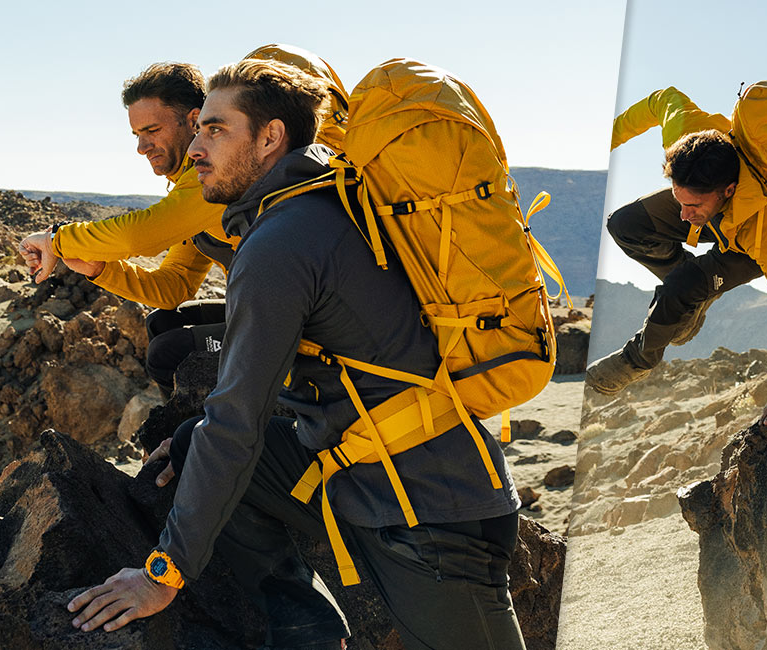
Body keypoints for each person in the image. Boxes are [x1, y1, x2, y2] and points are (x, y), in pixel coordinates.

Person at [64, 58, 525, 650]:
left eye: (215, 130)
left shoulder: (281, 241)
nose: (195, 149)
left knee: (212, 444)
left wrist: (163, 574)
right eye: (198, 130)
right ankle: (308, 635)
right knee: (191, 446)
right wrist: (199, 456)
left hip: (430, 510)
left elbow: (236, 421)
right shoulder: (311, 205)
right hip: (368, 472)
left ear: (270, 138)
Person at [586, 87, 767, 423]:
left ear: (728, 190)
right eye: (679, 200)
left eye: (692, 205)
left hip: (746, 247)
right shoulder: (688, 135)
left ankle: (639, 358)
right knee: (625, 224)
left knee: (681, 286)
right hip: (717, 216)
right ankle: (690, 296)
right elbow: (662, 99)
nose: (683, 215)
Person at [17, 62, 233, 395]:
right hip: (259, 311)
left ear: (194, 121)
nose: (141, 147)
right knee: (162, 322)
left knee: (167, 353)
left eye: (152, 130)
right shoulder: (189, 188)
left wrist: (56, 240)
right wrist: (101, 269)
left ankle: (213, 429)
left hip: (290, 326)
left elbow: (138, 236)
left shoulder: (218, 177)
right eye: (137, 135)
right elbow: (174, 286)